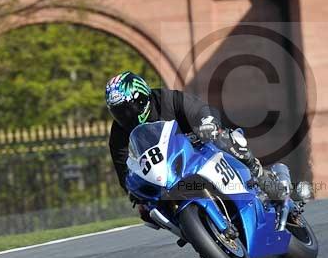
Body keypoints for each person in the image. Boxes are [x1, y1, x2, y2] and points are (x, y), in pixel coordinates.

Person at [105, 71, 285, 214]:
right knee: (148, 210)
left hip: (198, 144)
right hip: (167, 169)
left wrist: (207, 123)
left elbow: (198, 108)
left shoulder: (168, 99)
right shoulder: (120, 130)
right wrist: (133, 193)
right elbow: (123, 167)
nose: (125, 116)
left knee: (223, 138)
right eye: (118, 112)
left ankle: (261, 176)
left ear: (142, 98)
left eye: (128, 109)